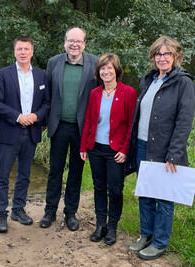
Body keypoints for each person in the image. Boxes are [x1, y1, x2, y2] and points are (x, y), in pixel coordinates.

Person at [125, 36, 195, 260]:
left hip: (165, 150)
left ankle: (160, 242)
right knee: (145, 194)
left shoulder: (183, 82)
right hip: (143, 146)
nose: (162, 58)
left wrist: (174, 154)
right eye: (158, 54)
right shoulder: (149, 80)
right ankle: (146, 235)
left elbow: (184, 121)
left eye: (167, 54)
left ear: (175, 56)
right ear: (153, 57)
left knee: (163, 197)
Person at [40, 27, 100, 230]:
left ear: (84, 43)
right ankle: (50, 212)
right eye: (70, 40)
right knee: (55, 171)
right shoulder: (53, 62)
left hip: (82, 129)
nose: (74, 44)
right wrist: (42, 121)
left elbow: (101, 93)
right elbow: (46, 94)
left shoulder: (95, 62)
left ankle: (70, 213)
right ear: (64, 42)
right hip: (58, 126)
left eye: (79, 41)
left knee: (76, 172)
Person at [0, 35, 50, 233]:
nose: (23, 52)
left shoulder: (42, 76)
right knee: (3, 175)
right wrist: (17, 116)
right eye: (19, 49)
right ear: (14, 52)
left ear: (32, 51)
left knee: (24, 174)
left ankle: (18, 209)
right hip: (10, 132)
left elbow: (47, 104)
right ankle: (1, 214)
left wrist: (35, 116)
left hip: (31, 132)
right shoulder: (3, 74)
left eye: (26, 49)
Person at [79, 53, 137, 245]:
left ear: (116, 70)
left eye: (109, 68)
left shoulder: (128, 93)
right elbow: (88, 120)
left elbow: (131, 125)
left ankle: (112, 227)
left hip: (116, 151)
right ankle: (100, 225)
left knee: (116, 190)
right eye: (102, 68)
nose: (106, 71)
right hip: (95, 148)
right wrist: (84, 146)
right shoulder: (95, 94)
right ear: (99, 72)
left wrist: (125, 150)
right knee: (99, 187)